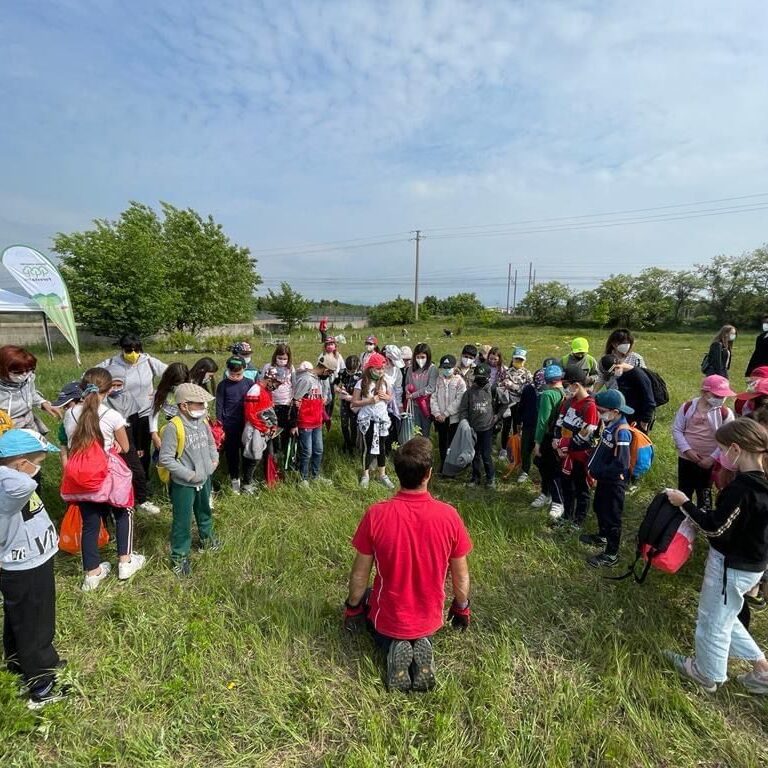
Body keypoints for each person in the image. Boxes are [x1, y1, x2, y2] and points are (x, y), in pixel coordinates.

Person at [343, 437, 472, 692]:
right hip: (430, 617)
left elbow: (360, 575)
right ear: (429, 474)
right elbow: (461, 576)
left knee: (370, 601)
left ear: (397, 473)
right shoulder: (449, 516)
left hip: (389, 617)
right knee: (421, 627)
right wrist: (461, 608)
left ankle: (394, 646)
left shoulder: (376, 514)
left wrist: (352, 608)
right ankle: (419, 646)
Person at [664, 418, 768, 695]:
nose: (721, 455)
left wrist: (684, 503)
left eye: (722, 449)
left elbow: (715, 528)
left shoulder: (743, 489)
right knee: (727, 615)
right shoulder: (762, 483)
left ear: (736, 449)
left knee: (712, 620)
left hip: (731, 565)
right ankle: (761, 667)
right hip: (752, 564)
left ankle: (706, 673)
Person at [0, 428, 66, 709]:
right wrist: (15, 469)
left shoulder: (13, 481)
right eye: (36, 462)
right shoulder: (10, 485)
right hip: (23, 565)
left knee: (21, 619)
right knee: (35, 624)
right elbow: (23, 484)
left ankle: (20, 665)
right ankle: (41, 684)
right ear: (18, 464)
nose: (38, 469)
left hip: (33, 559)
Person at [64, 368, 145, 591]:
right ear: (108, 391)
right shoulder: (112, 416)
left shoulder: (70, 414)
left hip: (82, 477)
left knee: (90, 523)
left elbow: (73, 444)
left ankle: (92, 573)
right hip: (107, 476)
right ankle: (125, 562)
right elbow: (126, 447)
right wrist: (115, 445)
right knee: (123, 512)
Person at [158, 383, 220, 577]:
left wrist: (214, 461)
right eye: (199, 404)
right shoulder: (173, 427)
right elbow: (165, 458)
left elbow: (211, 443)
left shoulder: (202, 422)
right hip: (184, 484)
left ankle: (207, 541)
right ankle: (179, 557)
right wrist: (189, 474)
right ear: (184, 406)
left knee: (204, 512)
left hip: (204, 478)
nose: (203, 408)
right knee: (182, 521)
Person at [98, 334, 167, 475]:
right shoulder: (112, 363)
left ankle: (144, 478)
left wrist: (158, 392)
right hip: (122, 415)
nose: (133, 354)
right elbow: (89, 376)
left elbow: (171, 374)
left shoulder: (149, 362)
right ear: (122, 350)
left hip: (145, 413)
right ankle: (125, 477)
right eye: (129, 351)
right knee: (125, 448)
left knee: (143, 449)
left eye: (137, 350)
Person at [579, 390, 634, 568]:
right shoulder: (610, 424)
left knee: (612, 516)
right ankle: (602, 536)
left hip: (613, 482)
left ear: (615, 411)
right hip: (603, 480)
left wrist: (601, 472)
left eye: (602, 410)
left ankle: (611, 554)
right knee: (599, 508)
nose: (600, 413)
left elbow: (622, 463)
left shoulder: (622, 431)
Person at [672, 375, 736, 510]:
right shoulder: (688, 407)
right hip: (686, 457)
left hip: (708, 460)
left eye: (724, 396)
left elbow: (727, 439)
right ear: (704, 393)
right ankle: (681, 514)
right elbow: (677, 429)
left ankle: (704, 516)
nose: (721, 399)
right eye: (717, 396)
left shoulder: (725, 413)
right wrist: (687, 450)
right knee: (684, 488)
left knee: (704, 490)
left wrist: (712, 458)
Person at [552, 366, 599, 530]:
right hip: (564, 454)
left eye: (568, 385)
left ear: (577, 385)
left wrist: (566, 447)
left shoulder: (590, 407)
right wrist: (556, 441)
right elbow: (559, 422)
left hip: (579, 456)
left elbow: (586, 434)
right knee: (566, 486)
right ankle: (567, 515)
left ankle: (578, 520)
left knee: (581, 488)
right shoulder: (568, 402)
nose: (566, 388)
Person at [106, 366, 156, 515]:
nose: (115, 389)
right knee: (116, 474)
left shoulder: (128, 397)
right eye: (112, 385)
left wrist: (139, 445)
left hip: (128, 437)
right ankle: (119, 504)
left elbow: (135, 422)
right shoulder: (103, 401)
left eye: (118, 385)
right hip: (111, 438)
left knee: (138, 471)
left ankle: (142, 500)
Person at [290, 354, 337, 487]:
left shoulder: (318, 380)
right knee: (307, 452)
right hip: (305, 422)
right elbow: (296, 400)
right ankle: (303, 478)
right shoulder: (306, 379)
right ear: (326, 370)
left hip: (317, 422)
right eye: (330, 373)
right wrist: (294, 423)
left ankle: (315, 476)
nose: (329, 376)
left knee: (318, 450)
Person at [352, 352, 395, 490]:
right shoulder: (361, 383)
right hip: (367, 420)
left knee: (382, 447)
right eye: (378, 369)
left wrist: (386, 397)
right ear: (370, 368)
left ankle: (382, 474)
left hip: (381, 419)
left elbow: (391, 398)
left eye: (382, 368)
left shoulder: (385, 381)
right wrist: (370, 401)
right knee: (367, 447)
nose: (381, 371)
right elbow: (354, 402)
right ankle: (365, 475)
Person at [459, 362, 505, 489]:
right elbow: (463, 409)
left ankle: (491, 478)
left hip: (487, 428)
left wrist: (498, 415)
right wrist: (465, 423)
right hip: (473, 429)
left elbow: (505, 402)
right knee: (474, 454)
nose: (479, 380)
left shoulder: (493, 390)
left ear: (488, 377)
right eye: (477, 377)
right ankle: (475, 478)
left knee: (486, 454)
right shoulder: (469, 392)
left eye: (482, 378)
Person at [0, 345, 61, 433]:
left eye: (29, 370)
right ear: (2, 369)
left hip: (28, 418)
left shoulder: (28, 379)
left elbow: (31, 393)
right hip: (7, 424)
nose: (24, 374)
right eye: (18, 372)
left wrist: (43, 403)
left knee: (36, 445)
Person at [215, 357, 253, 493]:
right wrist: (220, 425)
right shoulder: (223, 385)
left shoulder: (249, 383)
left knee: (246, 453)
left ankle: (247, 481)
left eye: (238, 374)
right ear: (227, 370)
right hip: (229, 426)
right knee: (232, 455)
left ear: (244, 369)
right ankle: (234, 479)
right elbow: (219, 406)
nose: (235, 377)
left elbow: (254, 404)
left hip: (246, 425)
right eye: (232, 374)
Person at [532, 364, 565, 517]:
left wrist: (537, 442)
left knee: (549, 469)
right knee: (549, 467)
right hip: (560, 436)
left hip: (548, 437)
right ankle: (546, 493)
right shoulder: (565, 392)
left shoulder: (547, 395)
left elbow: (542, 420)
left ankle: (557, 501)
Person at [242, 367, 282, 494]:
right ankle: (247, 484)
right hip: (256, 429)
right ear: (269, 379)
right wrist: (263, 428)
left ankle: (268, 479)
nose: (276, 386)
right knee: (254, 457)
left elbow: (269, 411)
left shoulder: (267, 391)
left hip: (267, 430)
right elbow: (250, 413)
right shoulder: (255, 390)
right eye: (275, 382)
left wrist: (272, 427)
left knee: (269, 455)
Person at [598, 355, 656, 432]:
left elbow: (650, 401)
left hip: (640, 418)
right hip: (628, 413)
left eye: (612, 372)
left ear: (618, 366)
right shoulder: (621, 375)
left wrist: (645, 422)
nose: (613, 375)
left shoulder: (639, 376)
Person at [431, 355, 467, 473]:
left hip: (453, 419)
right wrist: (437, 413)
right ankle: (443, 464)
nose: (446, 370)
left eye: (449, 367)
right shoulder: (438, 380)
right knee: (442, 442)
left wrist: (446, 413)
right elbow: (433, 397)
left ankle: (451, 467)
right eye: (444, 368)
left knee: (452, 443)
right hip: (440, 418)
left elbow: (459, 400)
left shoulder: (460, 382)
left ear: (454, 367)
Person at [498, 347, 534, 458]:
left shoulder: (527, 374)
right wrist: (503, 384)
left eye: (521, 360)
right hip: (508, 403)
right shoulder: (506, 372)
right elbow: (499, 385)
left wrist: (513, 386)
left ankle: (515, 447)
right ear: (513, 359)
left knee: (517, 426)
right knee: (506, 426)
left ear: (524, 361)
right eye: (516, 359)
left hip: (520, 404)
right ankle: (504, 448)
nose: (518, 362)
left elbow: (528, 389)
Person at [149, 362, 190, 452]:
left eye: (181, 383)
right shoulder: (160, 393)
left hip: (185, 431)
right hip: (166, 431)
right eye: (176, 383)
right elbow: (153, 414)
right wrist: (154, 435)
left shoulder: (190, 392)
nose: (178, 386)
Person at [405, 343, 437, 438]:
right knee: (415, 431)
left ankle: (425, 451)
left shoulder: (432, 369)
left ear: (428, 356)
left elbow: (431, 387)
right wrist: (407, 390)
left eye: (423, 357)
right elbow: (407, 383)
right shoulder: (411, 369)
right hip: (413, 406)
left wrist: (414, 395)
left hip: (426, 406)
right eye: (417, 357)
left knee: (425, 432)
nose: (420, 360)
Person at [266, 343, 294, 453]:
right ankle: (274, 451)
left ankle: (284, 450)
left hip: (286, 402)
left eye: (285, 358)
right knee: (273, 428)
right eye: (280, 358)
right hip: (272, 403)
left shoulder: (290, 368)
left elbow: (294, 383)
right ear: (275, 356)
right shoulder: (269, 367)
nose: (282, 360)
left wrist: (293, 399)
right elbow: (263, 384)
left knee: (285, 428)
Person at [52, 382, 83, 469]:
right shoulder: (66, 423)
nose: (65, 409)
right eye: (64, 406)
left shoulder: (99, 418)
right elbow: (63, 447)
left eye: (67, 405)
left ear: (82, 400)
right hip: (76, 464)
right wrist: (66, 471)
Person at [337, 355, 362, 454]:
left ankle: (353, 445)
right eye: (349, 371)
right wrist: (339, 389)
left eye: (352, 371)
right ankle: (347, 442)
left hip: (355, 403)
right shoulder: (342, 372)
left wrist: (351, 398)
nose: (350, 373)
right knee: (344, 424)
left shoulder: (361, 375)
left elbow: (363, 394)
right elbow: (335, 383)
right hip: (344, 402)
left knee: (353, 425)